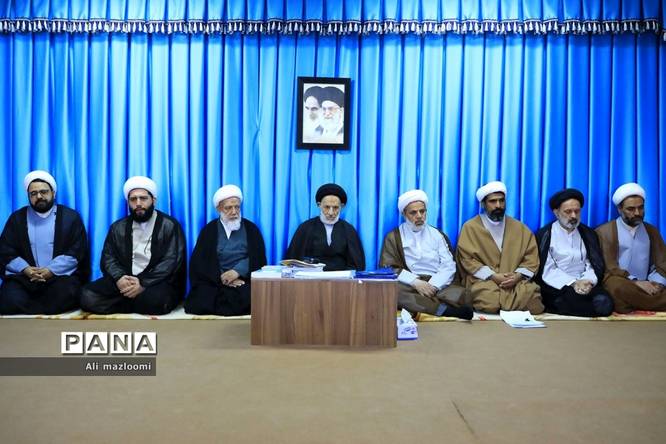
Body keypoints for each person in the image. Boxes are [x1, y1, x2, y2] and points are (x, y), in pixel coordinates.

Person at [80, 176, 186, 315]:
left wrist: (142, 283)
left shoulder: (169, 225)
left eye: (143, 198)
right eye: (133, 199)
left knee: (156, 301)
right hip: (125, 279)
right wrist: (119, 278)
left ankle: (126, 302)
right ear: (128, 202)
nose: (138, 203)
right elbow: (108, 258)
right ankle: (134, 301)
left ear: (153, 200)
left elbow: (171, 261)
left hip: (155, 282)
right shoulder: (118, 227)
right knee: (87, 295)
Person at [0, 171, 89, 314]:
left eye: (43, 192)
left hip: (58, 277)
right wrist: (26, 269)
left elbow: (77, 250)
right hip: (25, 278)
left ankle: (34, 307)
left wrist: (51, 270)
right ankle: (44, 307)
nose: (39, 196)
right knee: (9, 298)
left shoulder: (70, 217)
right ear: (29, 196)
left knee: (66, 293)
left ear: (53, 193)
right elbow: (5, 249)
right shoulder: (17, 218)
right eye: (33, 193)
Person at [379, 189, 473, 320]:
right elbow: (389, 268)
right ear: (404, 214)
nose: (419, 216)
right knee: (392, 291)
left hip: (439, 284)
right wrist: (416, 282)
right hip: (411, 284)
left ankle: (422, 306)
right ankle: (446, 311)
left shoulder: (437, 234)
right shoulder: (394, 237)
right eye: (413, 212)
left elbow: (449, 265)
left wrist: (433, 285)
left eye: (422, 211)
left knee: (464, 293)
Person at [457, 181, 544, 314]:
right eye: (493, 201)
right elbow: (467, 259)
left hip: (515, 281)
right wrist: (493, 276)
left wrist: (518, 276)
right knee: (488, 300)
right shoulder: (470, 227)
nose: (498, 205)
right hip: (484, 280)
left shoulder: (520, 228)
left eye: (501, 201)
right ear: (483, 204)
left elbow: (531, 258)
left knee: (532, 299)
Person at [185, 185, 267, 316]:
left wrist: (237, 272)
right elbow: (200, 262)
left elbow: (258, 258)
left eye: (237, 207)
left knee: (250, 296)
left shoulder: (251, 229)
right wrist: (224, 277)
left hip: (243, 279)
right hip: (215, 280)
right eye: (228, 208)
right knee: (200, 299)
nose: (234, 212)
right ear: (219, 209)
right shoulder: (209, 230)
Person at [535, 188, 614, 317]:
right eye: (568, 212)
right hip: (558, 285)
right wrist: (573, 283)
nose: (573, 216)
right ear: (556, 213)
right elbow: (548, 269)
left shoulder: (588, 234)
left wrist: (588, 281)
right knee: (568, 301)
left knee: (604, 302)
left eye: (577, 211)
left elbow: (592, 263)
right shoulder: (545, 235)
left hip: (586, 283)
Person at [595, 183, 666, 313]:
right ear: (619, 209)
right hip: (622, 282)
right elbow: (609, 267)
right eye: (631, 209)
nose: (637, 213)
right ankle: (652, 302)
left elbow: (662, 263)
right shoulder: (604, 232)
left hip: (648, 282)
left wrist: (657, 283)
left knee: (624, 296)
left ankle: (634, 303)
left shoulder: (652, 231)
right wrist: (635, 282)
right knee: (617, 287)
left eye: (641, 208)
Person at [285, 183, 365, 271]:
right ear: (319, 205)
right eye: (327, 207)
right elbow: (293, 261)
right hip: (311, 277)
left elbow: (356, 264)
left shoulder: (349, 230)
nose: (331, 212)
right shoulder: (305, 228)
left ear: (341, 207)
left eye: (335, 207)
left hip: (341, 278)